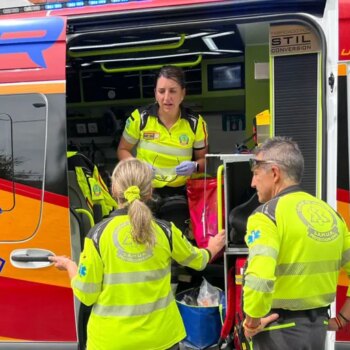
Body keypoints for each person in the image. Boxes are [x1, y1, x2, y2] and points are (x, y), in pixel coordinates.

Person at [50, 158, 225, 350]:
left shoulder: (98, 235)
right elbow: (198, 261)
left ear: (114, 190)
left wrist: (70, 266)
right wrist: (212, 247)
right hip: (162, 339)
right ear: (150, 192)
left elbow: (87, 294)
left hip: (111, 341)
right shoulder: (166, 231)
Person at [241, 136, 350, 350]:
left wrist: (251, 322)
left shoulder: (266, 216)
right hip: (317, 330)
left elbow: (259, 280)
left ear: (274, 173)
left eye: (255, 174)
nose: (253, 183)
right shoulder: (332, 216)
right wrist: (342, 319)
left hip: (276, 332)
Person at [117, 65, 208, 233]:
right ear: (155, 93)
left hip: (179, 195)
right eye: (161, 91)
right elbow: (123, 150)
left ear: (183, 93)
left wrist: (195, 167)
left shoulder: (196, 123)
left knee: (175, 242)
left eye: (173, 91)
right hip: (144, 191)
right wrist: (138, 166)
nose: (167, 97)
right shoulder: (140, 118)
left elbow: (205, 161)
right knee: (143, 240)